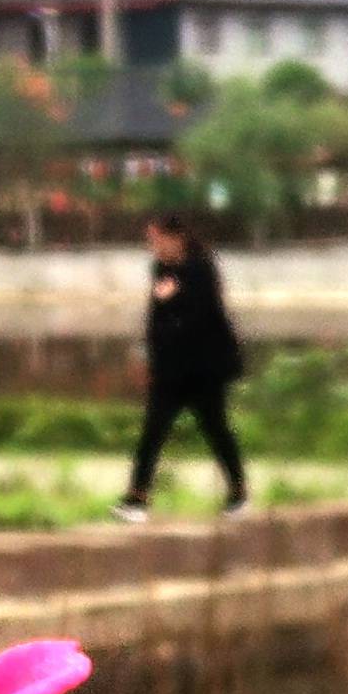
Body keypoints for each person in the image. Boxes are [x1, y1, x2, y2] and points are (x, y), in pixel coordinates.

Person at [115, 214, 246, 521]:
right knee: (152, 431)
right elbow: (157, 316)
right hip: (170, 370)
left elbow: (203, 314)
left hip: (204, 369)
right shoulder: (160, 269)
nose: (153, 246)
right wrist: (147, 356)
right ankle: (137, 499)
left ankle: (239, 493)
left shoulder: (202, 267)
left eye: (156, 239)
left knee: (216, 429)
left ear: (176, 238)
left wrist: (174, 298)